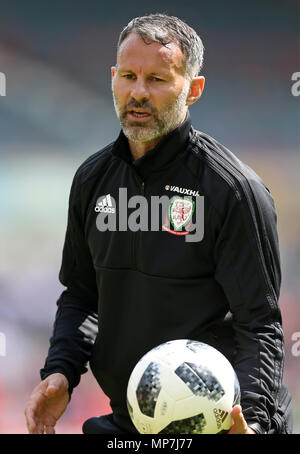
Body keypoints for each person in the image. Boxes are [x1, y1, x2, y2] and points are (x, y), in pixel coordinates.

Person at [25, 13, 292, 435]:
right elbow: (81, 296)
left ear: (194, 90)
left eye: (158, 80)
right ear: (113, 78)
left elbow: (258, 324)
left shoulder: (233, 190)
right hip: (128, 420)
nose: (138, 93)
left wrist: (255, 422)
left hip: (218, 427)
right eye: (129, 76)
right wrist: (61, 371)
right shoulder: (92, 180)